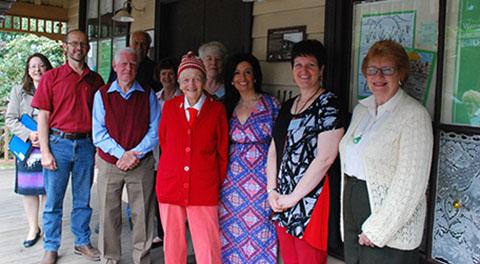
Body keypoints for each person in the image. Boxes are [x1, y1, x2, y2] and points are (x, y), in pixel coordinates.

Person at [339, 39, 433, 264]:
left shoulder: (413, 115)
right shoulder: (362, 110)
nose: (378, 76)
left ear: (400, 73)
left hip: (389, 224)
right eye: (372, 70)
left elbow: (411, 184)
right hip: (353, 214)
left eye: (387, 70)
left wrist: (379, 229)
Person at [266, 39, 344, 264]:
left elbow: (326, 158)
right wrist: (272, 191)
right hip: (282, 197)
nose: (304, 71)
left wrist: (293, 198)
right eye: (298, 65)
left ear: (321, 70)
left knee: (308, 258)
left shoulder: (329, 105)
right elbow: (274, 149)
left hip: (312, 199)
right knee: (290, 258)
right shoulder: (288, 105)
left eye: (310, 65)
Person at [31, 29, 104, 264]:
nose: (78, 48)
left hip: (85, 145)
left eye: (83, 44)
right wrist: (45, 151)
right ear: (65, 47)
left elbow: (101, 117)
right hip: (58, 144)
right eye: (73, 43)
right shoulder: (51, 77)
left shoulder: (96, 81)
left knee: (83, 199)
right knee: (53, 200)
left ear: (88, 48)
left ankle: (82, 242)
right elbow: (43, 116)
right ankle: (51, 246)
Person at [156, 51, 228, 264]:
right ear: (179, 81)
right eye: (186, 79)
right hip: (170, 185)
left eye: (196, 78)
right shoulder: (169, 108)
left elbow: (222, 152)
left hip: (203, 187)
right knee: (173, 244)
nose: (191, 84)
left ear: (204, 80)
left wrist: (213, 181)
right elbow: (165, 143)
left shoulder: (216, 110)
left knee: (207, 244)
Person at [92, 47, 160, 264]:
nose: (127, 68)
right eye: (123, 64)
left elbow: (155, 130)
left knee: (143, 216)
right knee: (108, 213)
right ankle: (110, 258)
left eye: (132, 64)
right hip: (110, 163)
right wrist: (123, 154)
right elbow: (98, 133)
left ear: (137, 67)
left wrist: (135, 154)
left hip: (141, 164)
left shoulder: (148, 94)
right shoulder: (102, 94)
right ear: (114, 66)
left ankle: (142, 258)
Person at [219, 53, 280, 263]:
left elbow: (281, 143)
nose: (242, 77)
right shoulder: (226, 107)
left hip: (263, 180)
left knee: (261, 231)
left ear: (255, 76)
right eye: (237, 73)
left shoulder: (271, 104)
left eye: (247, 72)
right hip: (231, 183)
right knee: (230, 233)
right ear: (231, 78)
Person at [5, 53, 52, 248]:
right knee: (29, 190)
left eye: (41, 65)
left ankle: (49, 227)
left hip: (49, 146)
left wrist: (44, 135)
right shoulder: (19, 91)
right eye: (33, 66)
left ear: (47, 68)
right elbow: (10, 119)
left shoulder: (54, 88)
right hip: (28, 147)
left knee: (48, 188)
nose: (37, 69)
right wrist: (28, 134)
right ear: (28, 70)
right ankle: (33, 227)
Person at [151, 57, 182, 247]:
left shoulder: (182, 97)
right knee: (158, 193)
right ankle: (162, 233)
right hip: (157, 150)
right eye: (164, 74)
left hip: (176, 149)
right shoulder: (154, 98)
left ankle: (176, 233)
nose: (167, 77)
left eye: (171, 73)